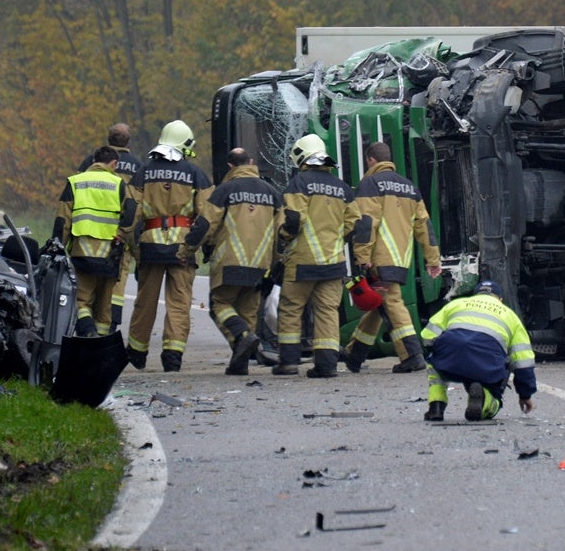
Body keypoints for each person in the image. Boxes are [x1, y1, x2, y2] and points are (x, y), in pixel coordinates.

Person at [342, 140, 442, 374]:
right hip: (400, 258)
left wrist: (362, 255)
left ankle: (412, 355)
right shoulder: (409, 187)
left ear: (370, 160)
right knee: (380, 303)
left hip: (379, 257)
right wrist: (433, 259)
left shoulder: (370, 184)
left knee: (392, 303)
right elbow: (425, 226)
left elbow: (366, 223)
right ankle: (353, 353)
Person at [178, 148, 280, 376]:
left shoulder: (224, 190)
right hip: (260, 265)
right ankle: (239, 364)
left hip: (230, 261)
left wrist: (187, 249)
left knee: (219, 306)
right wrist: (276, 264)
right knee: (247, 314)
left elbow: (204, 225)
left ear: (230, 166)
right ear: (251, 162)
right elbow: (282, 231)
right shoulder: (272, 193)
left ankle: (243, 337)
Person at [272, 133, 366, 378]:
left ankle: (289, 363)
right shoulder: (342, 188)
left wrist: (283, 236)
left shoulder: (299, 183)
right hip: (334, 262)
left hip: (302, 261)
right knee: (327, 311)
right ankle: (326, 365)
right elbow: (354, 222)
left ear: (301, 157)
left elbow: (293, 219)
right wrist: (335, 238)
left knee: (292, 309)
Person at [126, 119, 214, 372]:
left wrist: (130, 246)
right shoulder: (196, 174)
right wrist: (201, 245)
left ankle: (137, 351)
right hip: (182, 248)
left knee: (145, 301)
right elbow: (207, 215)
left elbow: (130, 212)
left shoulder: (143, 172)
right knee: (179, 302)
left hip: (150, 246)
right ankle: (173, 354)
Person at [419, 279, 537, 422]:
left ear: (475, 295)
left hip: (451, 359)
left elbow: (427, 336)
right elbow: (523, 362)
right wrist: (525, 395)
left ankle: (436, 405)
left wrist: (440, 354)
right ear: (500, 299)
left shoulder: (456, 304)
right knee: (494, 395)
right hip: (486, 365)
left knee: (434, 360)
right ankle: (485, 401)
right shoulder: (510, 315)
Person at [51, 146, 136, 338]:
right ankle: (101, 346)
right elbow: (131, 216)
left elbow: (63, 220)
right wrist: (124, 240)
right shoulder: (119, 184)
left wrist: (57, 248)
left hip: (83, 254)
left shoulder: (75, 182)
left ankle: (87, 333)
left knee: (81, 301)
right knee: (104, 307)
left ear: (93, 162)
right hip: (111, 256)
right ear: (114, 164)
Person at [78, 123, 144, 334]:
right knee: (117, 280)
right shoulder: (138, 165)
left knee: (86, 288)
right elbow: (137, 206)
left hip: (87, 235)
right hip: (120, 234)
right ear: (128, 140)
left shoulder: (92, 161)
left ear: (109, 138)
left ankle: (88, 326)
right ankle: (110, 324)